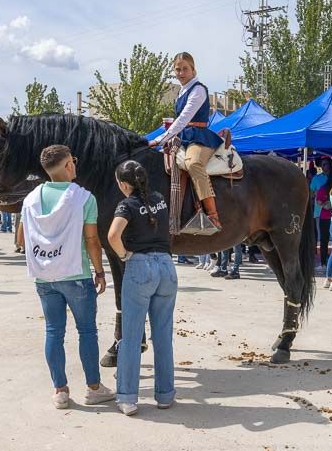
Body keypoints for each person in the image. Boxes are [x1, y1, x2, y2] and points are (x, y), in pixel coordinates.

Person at [22, 144, 113, 410]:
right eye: (73, 160)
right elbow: (92, 239)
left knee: (53, 331)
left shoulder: (30, 198)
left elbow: (21, 236)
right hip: (76, 273)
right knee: (87, 332)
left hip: (44, 275)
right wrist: (99, 270)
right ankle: (94, 387)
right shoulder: (84, 198)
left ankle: (60, 390)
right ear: (68, 165)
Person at [107, 159, 176, 416]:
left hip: (141, 266)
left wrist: (124, 255)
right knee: (163, 334)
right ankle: (166, 394)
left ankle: (127, 397)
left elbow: (113, 235)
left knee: (131, 337)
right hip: (167, 266)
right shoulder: (159, 198)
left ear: (124, 185)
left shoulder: (127, 204)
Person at [148, 52, 223, 228]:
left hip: (199, 137)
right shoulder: (183, 91)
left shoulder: (198, 89)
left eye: (185, 69)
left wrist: (159, 139)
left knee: (193, 164)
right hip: (183, 137)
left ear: (193, 69)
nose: (181, 73)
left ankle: (212, 214)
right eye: (178, 69)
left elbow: (183, 119)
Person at [310, 157, 332, 269]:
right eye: (323, 164)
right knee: (323, 238)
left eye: (327, 164)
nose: (325, 166)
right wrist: (317, 194)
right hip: (319, 212)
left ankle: (330, 260)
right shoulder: (316, 178)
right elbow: (311, 193)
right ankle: (323, 261)